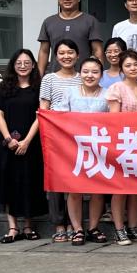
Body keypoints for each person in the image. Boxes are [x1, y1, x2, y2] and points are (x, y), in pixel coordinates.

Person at [105, 49, 137, 245]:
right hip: (122, 142)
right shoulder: (117, 88)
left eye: (136, 64)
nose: (133, 68)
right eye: (128, 65)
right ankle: (119, 229)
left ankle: (133, 227)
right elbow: (114, 119)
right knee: (120, 188)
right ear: (122, 69)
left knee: (136, 188)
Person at [0, 50, 45, 243]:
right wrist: (9, 139)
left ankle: (28, 226)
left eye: (27, 62)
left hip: (32, 143)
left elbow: (41, 115)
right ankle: (13, 228)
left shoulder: (38, 88)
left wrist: (26, 141)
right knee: (8, 182)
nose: (23, 66)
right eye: (19, 62)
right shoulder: (4, 87)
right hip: (7, 143)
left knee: (29, 181)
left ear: (33, 65)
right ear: (13, 65)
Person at [39, 39, 81, 242]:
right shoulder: (49, 79)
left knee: (74, 179)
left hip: (78, 136)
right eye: (62, 53)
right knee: (56, 179)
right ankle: (59, 224)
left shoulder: (83, 77)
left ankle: (75, 224)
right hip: (55, 135)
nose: (66, 56)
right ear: (55, 56)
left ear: (77, 55)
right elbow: (44, 108)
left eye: (70, 52)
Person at [66, 57, 110, 246]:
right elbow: (59, 115)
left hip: (99, 147)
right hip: (72, 147)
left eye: (94, 72)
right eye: (85, 71)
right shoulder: (70, 92)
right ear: (80, 73)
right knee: (74, 189)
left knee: (97, 189)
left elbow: (114, 120)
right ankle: (77, 229)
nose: (89, 75)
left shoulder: (108, 94)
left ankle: (93, 227)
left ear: (101, 75)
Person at [37, 0, 102, 74]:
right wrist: (39, 75)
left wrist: (98, 74)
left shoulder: (90, 21)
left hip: (83, 76)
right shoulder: (49, 22)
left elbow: (97, 50)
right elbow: (44, 51)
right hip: (55, 76)